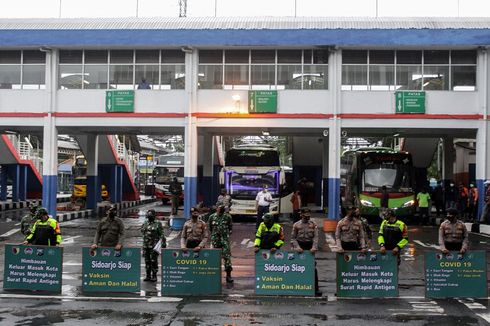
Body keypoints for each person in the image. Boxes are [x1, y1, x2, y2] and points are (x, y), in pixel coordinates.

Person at [290, 208, 321, 296]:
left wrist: (314, 247)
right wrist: (297, 247)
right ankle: (297, 287)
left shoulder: (313, 225)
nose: (307, 217)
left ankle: (315, 289)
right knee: (298, 267)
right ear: (301, 215)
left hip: (309, 247)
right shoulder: (296, 225)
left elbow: (316, 237)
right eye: (305, 215)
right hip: (300, 246)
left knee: (312, 267)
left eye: (308, 215)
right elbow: (293, 238)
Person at [208, 205, 234, 283]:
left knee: (227, 258)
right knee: (214, 258)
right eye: (219, 208)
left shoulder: (228, 217)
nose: (221, 209)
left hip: (225, 240)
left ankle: (228, 276)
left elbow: (230, 227)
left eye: (222, 208)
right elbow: (210, 228)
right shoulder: (212, 217)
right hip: (215, 240)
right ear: (216, 208)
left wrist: (225, 234)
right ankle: (213, 276)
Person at [141, 209, 166, 282]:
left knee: (153, 261)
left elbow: (161, 234)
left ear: (154, 215)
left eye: (150, 214)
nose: (149, 216)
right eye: (148, 214)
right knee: (147, 261)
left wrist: (163, 243)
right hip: (146, 246)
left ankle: (154, 276)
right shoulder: (145, 223)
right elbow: (143, 232)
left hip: (154, 246)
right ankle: (148, 275)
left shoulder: (158, 223)